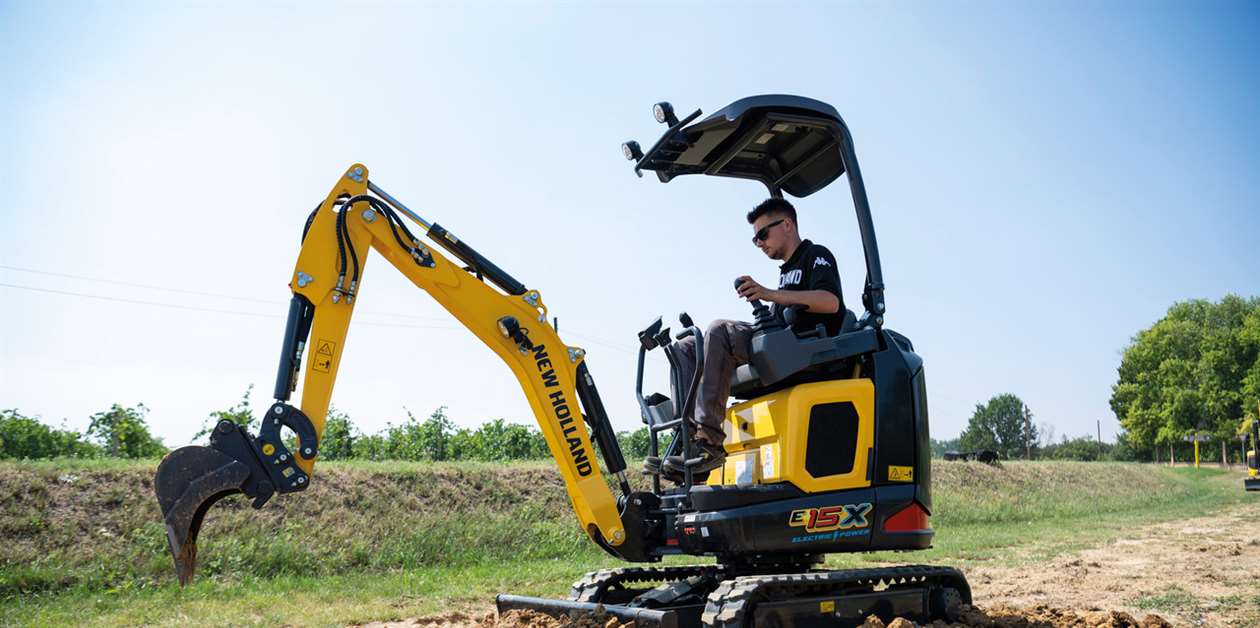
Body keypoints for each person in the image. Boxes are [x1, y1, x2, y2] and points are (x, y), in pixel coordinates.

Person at [652, 197, 846, 477]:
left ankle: (709, 442)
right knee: (686, 347)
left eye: (763, 234)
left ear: (788, 224)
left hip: (801, 348)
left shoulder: (816, 255)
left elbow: (830, 302)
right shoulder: (786, 272)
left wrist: (768, 294)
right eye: (755, 240)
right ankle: (686, 440)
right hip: (775, 341)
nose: (760, 243)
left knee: (719, 328)